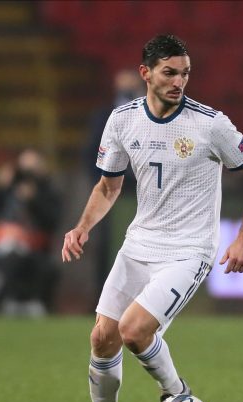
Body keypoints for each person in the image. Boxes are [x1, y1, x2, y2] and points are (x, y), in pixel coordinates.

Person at [57, 34, 243, 402]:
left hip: (189, 250)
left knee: (135, 330)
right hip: (140, 243)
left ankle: (178, 394)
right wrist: (83, 226)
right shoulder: (122, 120)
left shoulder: (210, 124)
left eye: (185, 73)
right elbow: (108, 186)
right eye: (170, 73)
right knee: (102, 337)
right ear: (146, 73)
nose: (179, 82)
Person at [80, 69, 146, 298]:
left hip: (144, 193)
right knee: (108, 245)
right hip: (113, 191)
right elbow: (91, 154)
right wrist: (103, 182)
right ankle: (103, 295)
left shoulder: (152, 115)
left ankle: (144, 296)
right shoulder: (104, 116)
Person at [0, 148, 61, 316]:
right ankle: (9, 300)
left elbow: (52, 221)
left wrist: (34, 200)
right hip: (6, 245)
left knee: (40, 266)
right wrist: (0, 187)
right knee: (10, 259)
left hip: (36, 247)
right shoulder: (8, 190)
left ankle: (32, 302)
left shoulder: (48, 192)